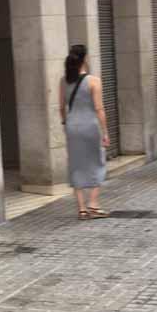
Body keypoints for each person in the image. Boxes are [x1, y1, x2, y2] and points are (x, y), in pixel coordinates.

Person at [59, 44, 110, 220]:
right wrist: (105, 132)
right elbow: (99, 109)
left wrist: (66, 123)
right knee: (98, 162)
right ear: (85, 59)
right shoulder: (94, 81)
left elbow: (61, 107)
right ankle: (94, 205)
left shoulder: (64, 80)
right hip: (90, 126)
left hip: (73, 127)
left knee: (76, 165)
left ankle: (81, 209)